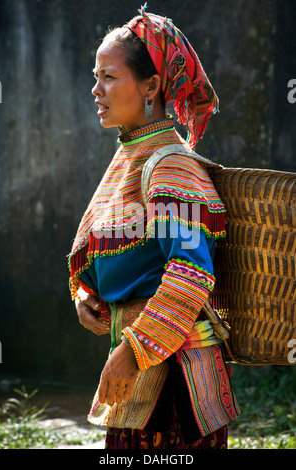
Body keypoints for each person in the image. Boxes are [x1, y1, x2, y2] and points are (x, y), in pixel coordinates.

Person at [68, 6, 240, 450]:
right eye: (95, 76)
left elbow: (190, 274)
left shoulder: (170, 168)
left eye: (109, 76)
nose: (96, 89)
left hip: (177, 382)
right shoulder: (131, 160)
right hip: (142, 373)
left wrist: (130, 351)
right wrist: (89, 294)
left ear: (150, 86)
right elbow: (129, 258)